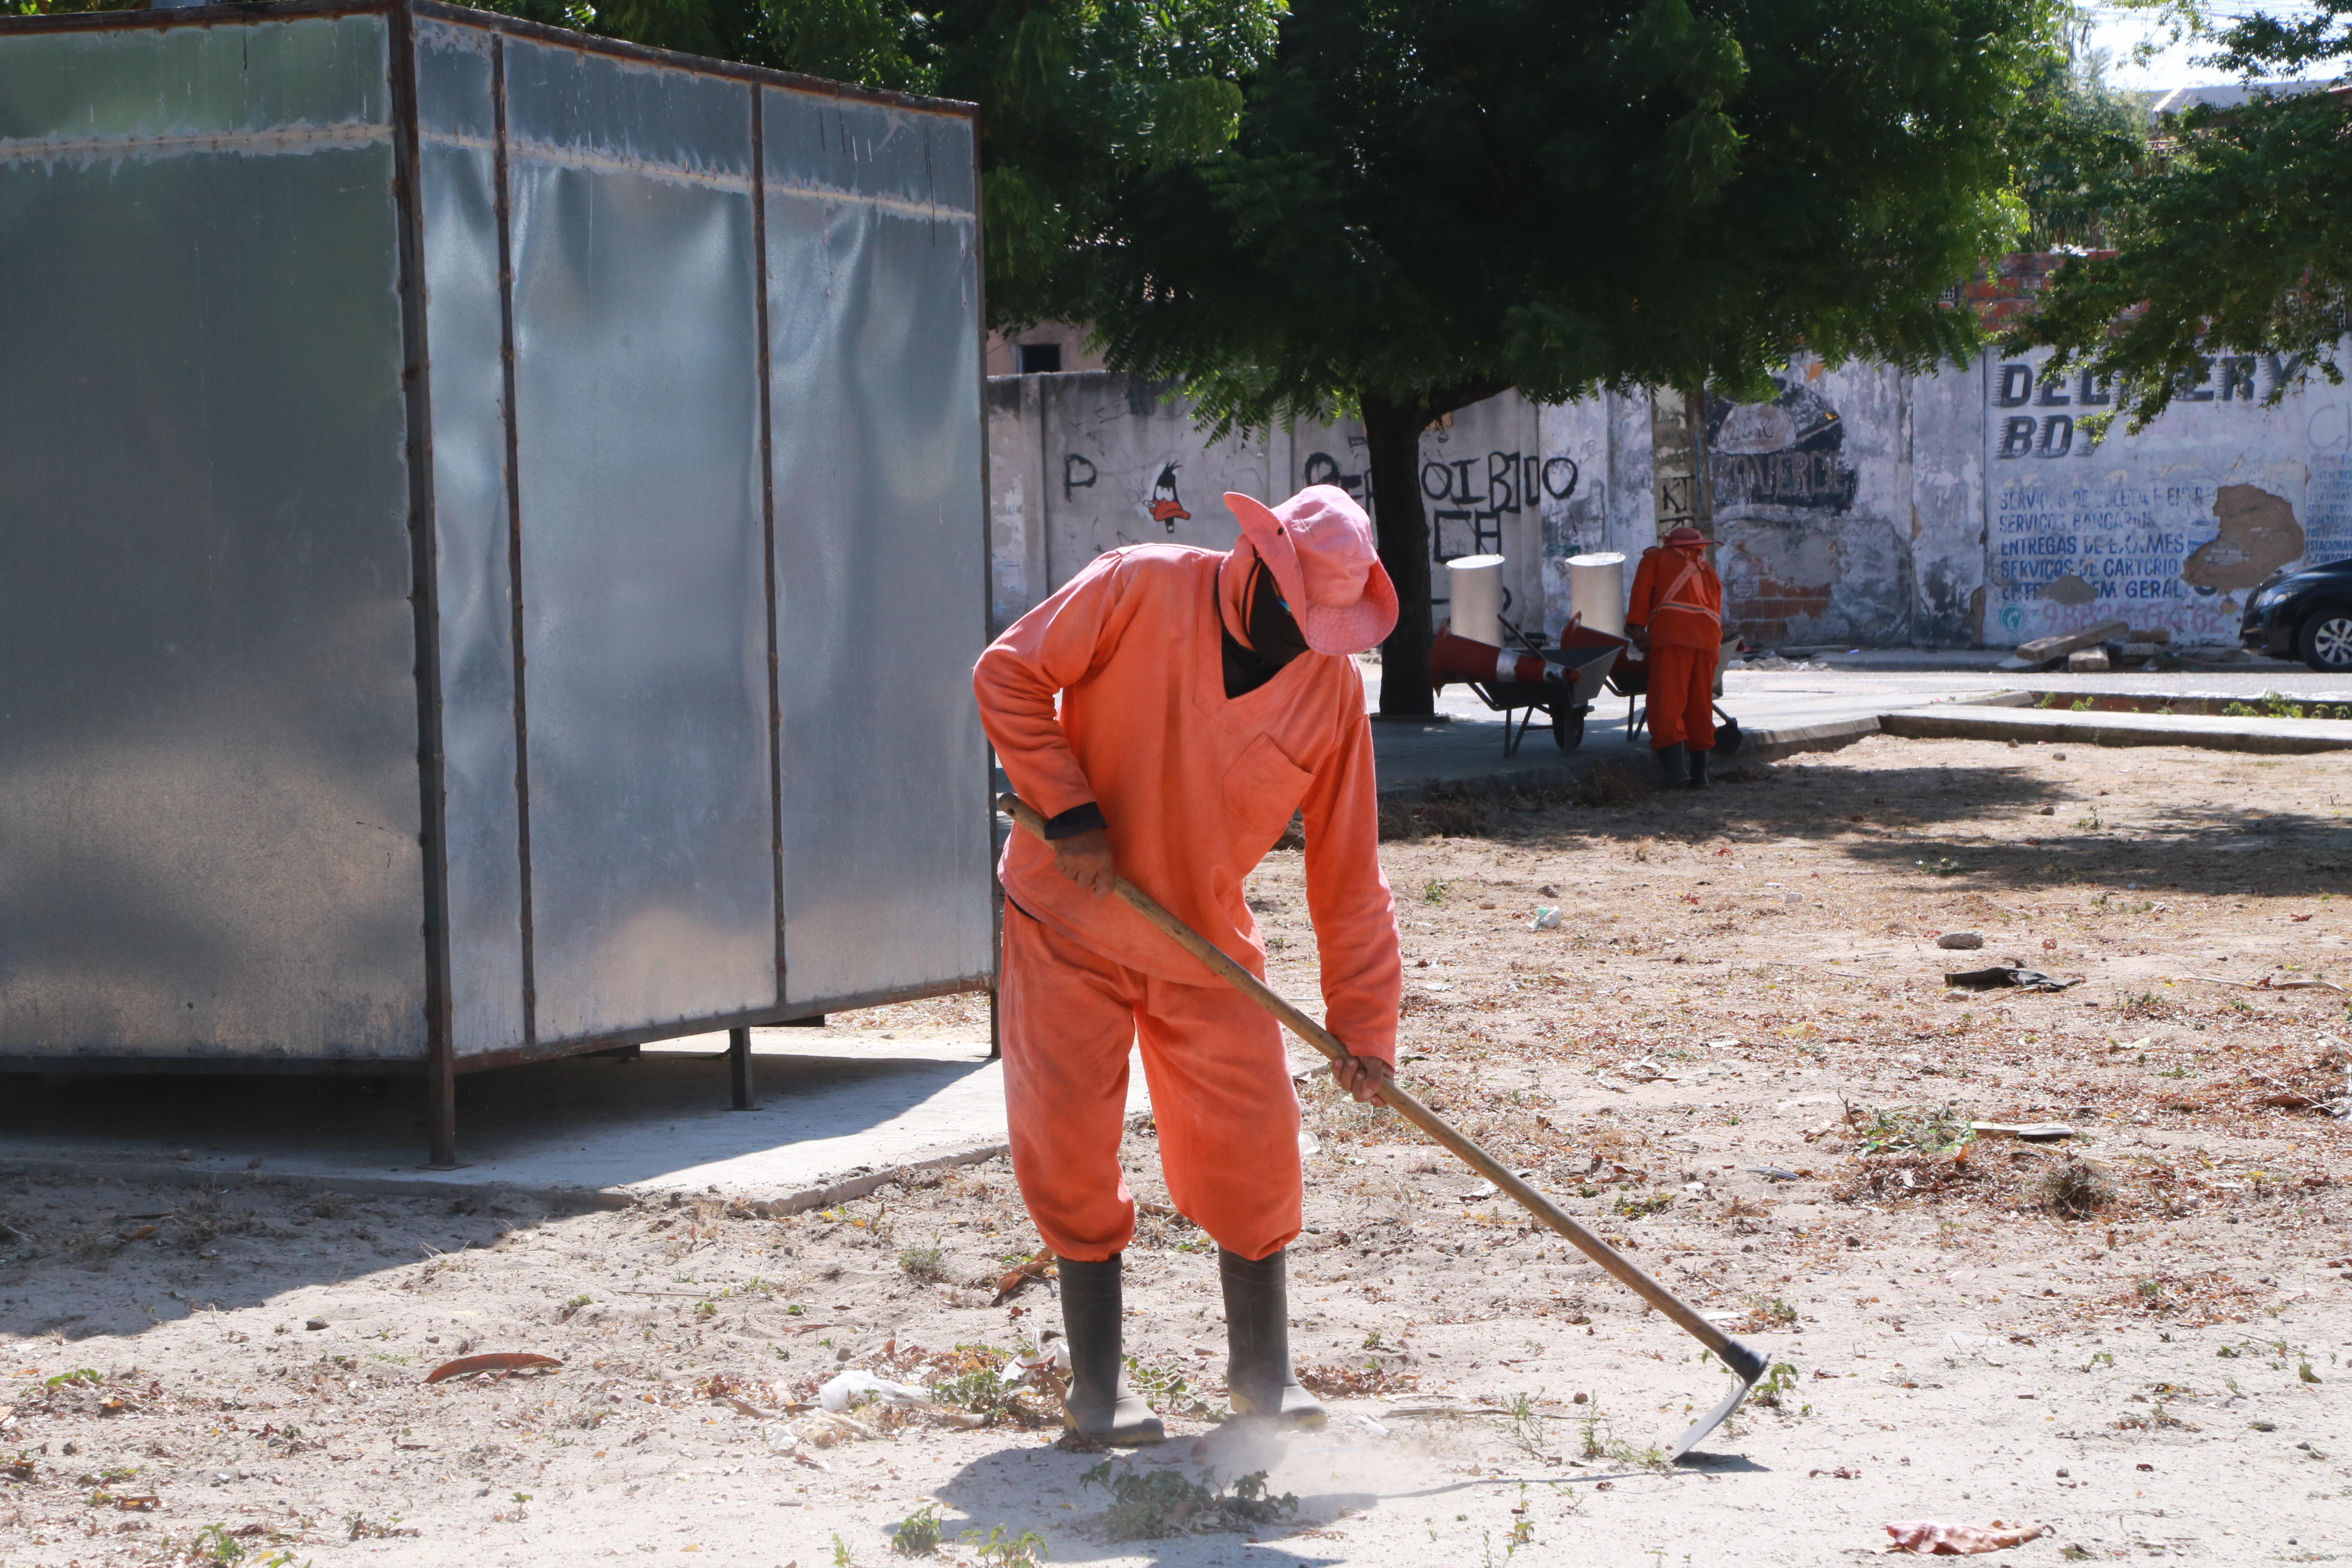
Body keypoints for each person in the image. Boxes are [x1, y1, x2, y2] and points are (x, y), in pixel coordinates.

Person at [972, 484, 1404, 1444]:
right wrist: (1069, 807)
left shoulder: (1330, 695)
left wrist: (1364, 1026)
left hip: (1202, 945)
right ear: (1258, 568)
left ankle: (1263, 1376)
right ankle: (1099, 1392)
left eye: (1329, 631)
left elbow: (1350, 875)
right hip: (1068, 915)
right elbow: (1005, 675)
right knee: (1070, 1142)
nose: (1308, 646)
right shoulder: (1136, 587)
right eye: (1301, 620)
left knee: (1255, 1140)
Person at [1624, 525, 1724, 788]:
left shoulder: (1656, 558)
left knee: (1667, 703)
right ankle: (1700, 775)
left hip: (1674, 638)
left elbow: (1641, 594)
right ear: (1699, 546)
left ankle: (1675, 773)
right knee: (1699, 705)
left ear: (1670, 544)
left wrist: (1637, 629)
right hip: (1708, 642)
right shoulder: (1709, 571)